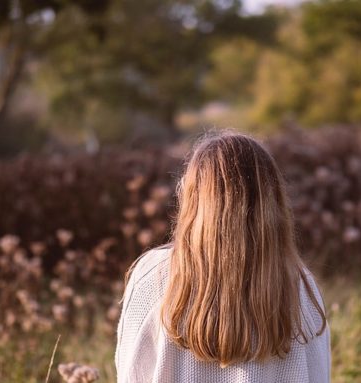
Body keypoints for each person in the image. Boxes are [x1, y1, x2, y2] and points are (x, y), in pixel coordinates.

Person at [115, 133, 330, 382]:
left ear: (193, 197)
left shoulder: (152, 276)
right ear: (273, 201)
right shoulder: (300, 286)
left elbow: (131, 374)